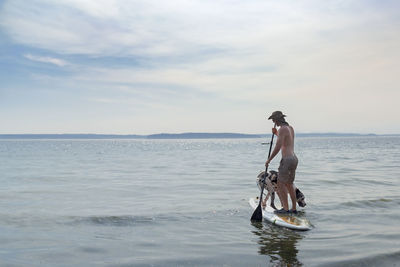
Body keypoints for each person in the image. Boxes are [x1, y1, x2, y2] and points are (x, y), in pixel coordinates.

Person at [265, 111, 299, 214]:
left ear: (277, 119)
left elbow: (278, 146)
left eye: (274, 120)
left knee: (280, 184)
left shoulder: (282, 129)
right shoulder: (290, 128)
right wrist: (276, 134)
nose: (273, 122)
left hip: (287, 160)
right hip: (294, 159)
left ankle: (285, 208)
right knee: (289, 184)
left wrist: (269, 159)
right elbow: (286, 142)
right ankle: (293, 209)